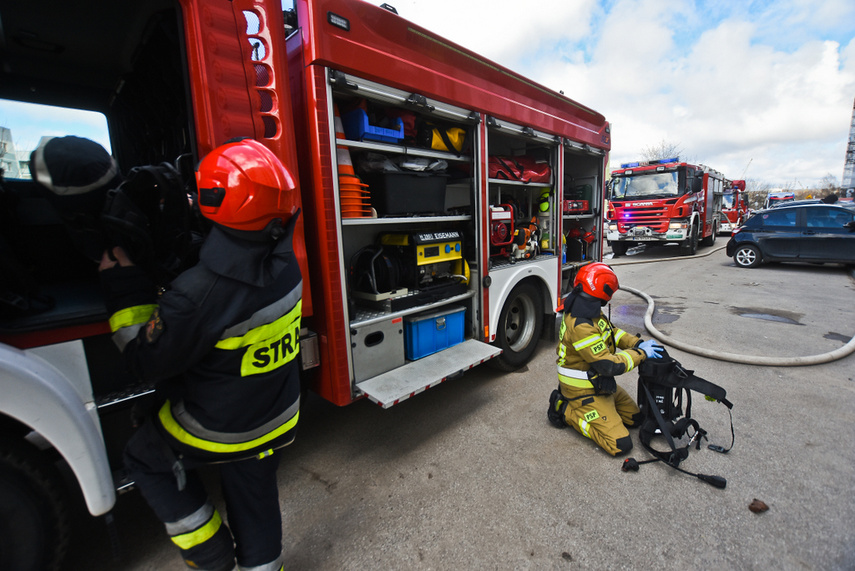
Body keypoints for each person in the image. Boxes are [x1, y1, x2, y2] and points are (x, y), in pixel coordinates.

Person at [99, 138, 302, 571]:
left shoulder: (195, 296)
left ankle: (210, 555)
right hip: (278, 415)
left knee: (142, 456)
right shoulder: (288, 263)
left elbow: (144, 363)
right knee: (254, 489)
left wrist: (126, 291)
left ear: (213, 201)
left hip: (223, 426)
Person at [549, 262, 662, 456]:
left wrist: (636, 344)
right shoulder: (580, 325)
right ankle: (565, 410)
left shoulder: (588, 309)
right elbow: (608, 365)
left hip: (600, 383)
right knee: (620, 444)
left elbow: (612, 333)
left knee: (636, 419)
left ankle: (601, 411)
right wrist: (641, 355)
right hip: (582, 390)